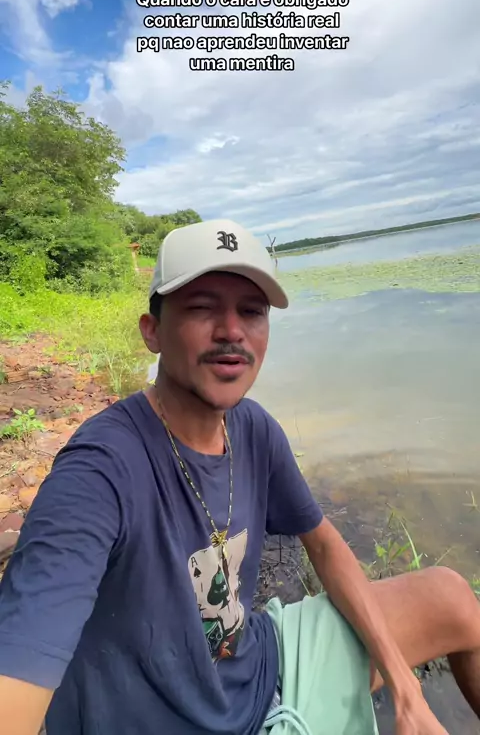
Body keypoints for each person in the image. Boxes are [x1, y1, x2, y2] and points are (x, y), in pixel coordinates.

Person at [0, 218, 479, 735]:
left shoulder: (253, 428)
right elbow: (21, 661)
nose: (232, 331)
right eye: (202, 307)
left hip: (260, 665)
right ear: (152, 331)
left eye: (251, 311)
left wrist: (405, 687)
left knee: (451, 598)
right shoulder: (99, 470)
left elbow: (322, 543)